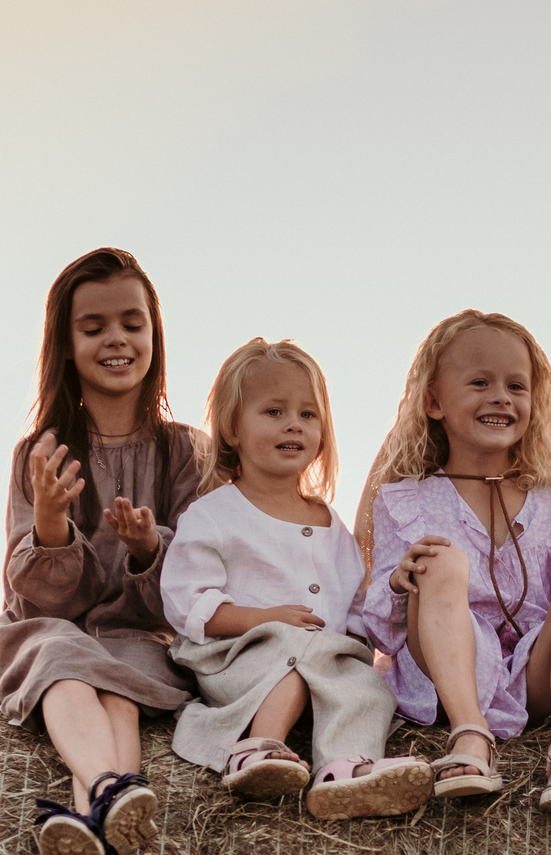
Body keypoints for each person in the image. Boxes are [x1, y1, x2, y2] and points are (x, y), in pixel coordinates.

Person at [352, 310, 551, 815]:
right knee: (439, 563)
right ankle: (470, 736)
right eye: (479, 382)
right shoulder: (407, 500)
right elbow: (383, 629)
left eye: (516, 386)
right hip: (446, 670)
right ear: (434, 402)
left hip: (533, 676)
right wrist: (400, 581)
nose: (500, 396)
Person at [0, 247, 203, 855]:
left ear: (154, 335)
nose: (117, 339)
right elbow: (37, 596)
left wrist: (147, 548)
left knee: (125, 679)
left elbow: (198, 578)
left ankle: (95, 810)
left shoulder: (184, 451)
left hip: (141, 637)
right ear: (66, 344)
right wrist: (52, 522)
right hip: (53, 632)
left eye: (132, 324)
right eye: (94, 327)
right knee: (65, 658)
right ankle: (115, 788)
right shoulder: (41, 452)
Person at [161, 340, 432, 821]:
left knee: (368, 688)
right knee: (288, 652)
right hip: (235, 656)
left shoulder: (330, 522)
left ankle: (343, 769)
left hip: (319, 659)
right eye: (274, 411)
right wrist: (266, 619)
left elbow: (354, 604)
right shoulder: (214, 514)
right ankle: (258, 749)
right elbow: (188, 602)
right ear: (231, 429)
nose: (294, 424)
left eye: (308, 414)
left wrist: (369, 623)